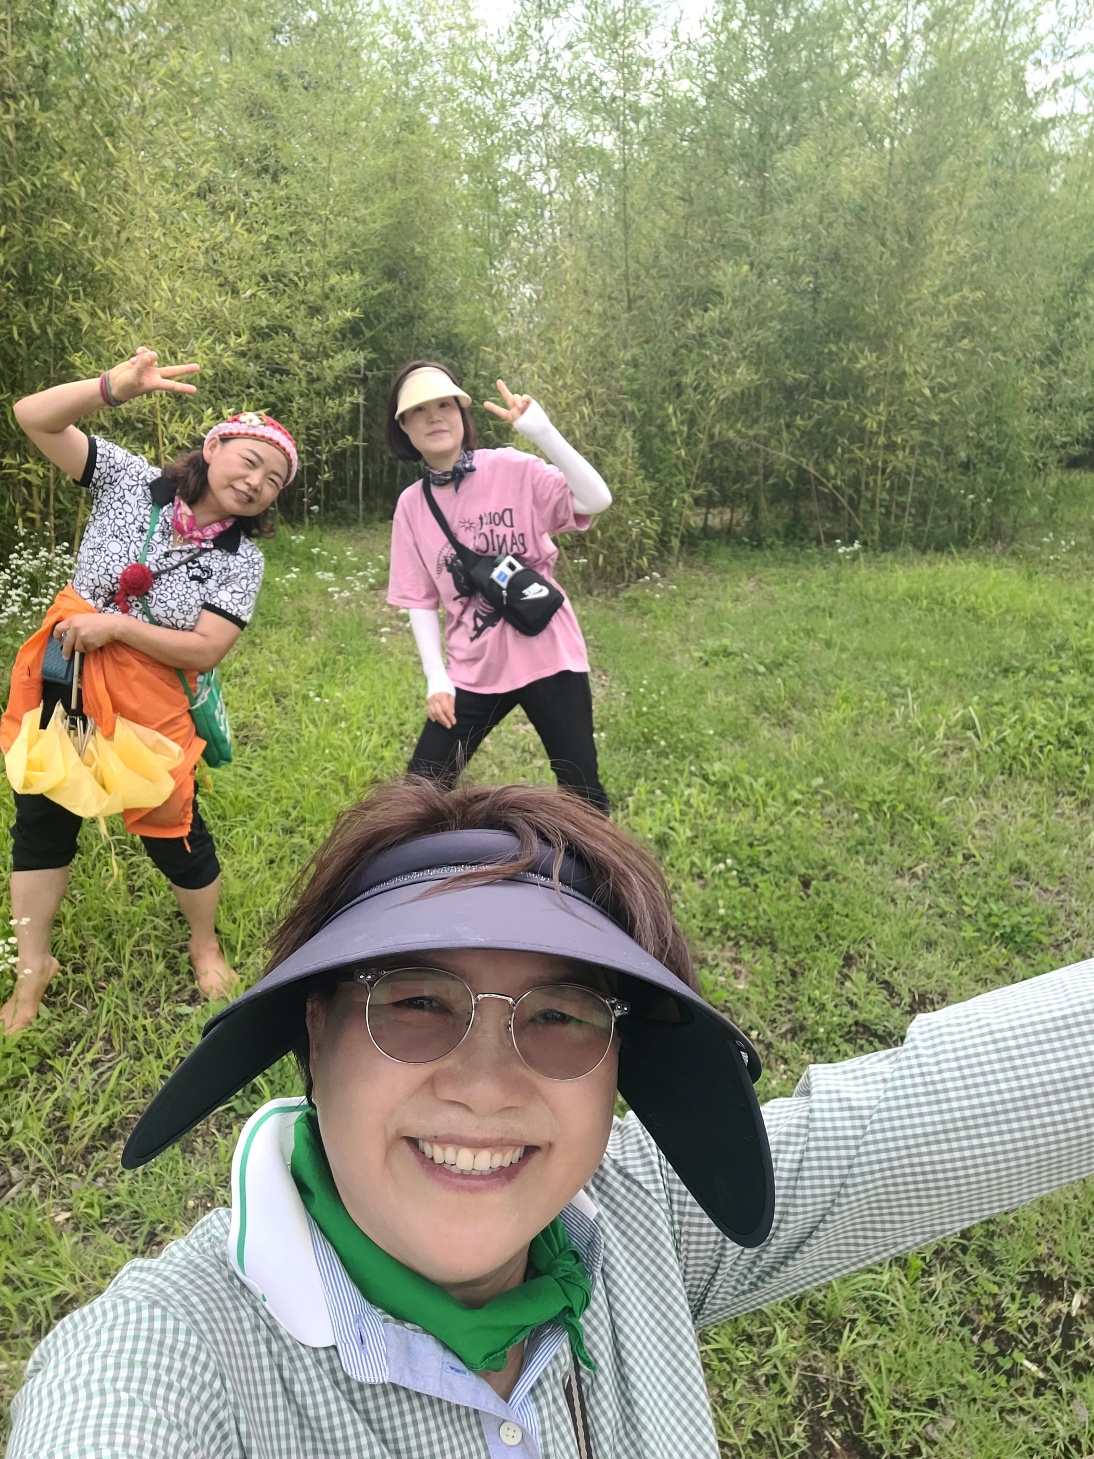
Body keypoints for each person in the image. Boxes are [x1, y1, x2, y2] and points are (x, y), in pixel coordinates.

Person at [8, 778, 1094, 1458]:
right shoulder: (167, 1361)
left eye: (563, 1016)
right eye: (415, 1002)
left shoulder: (632, 1215)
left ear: (619, 1067)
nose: (486, 1085)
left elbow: (938, 1109)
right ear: (316, 1029)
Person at [1, 347, 296, 1033]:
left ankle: (205, 943)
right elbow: (32, 417)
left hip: (149, 698)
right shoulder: (131, 481)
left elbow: (206, 648)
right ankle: (31, 969)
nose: (256, 482)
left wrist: (117, 628)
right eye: (250, 461)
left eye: (274, 480)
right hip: (67, 674)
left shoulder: (241, 559)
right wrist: (111, 387)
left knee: (174, 826)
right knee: (43, 817)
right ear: (213, 448)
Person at [386, 361, 613, 812]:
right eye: (420, 410)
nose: (435, 417)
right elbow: (419, 599)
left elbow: (596, 499)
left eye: (445, 405)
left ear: (462, 414)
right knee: (417, 793)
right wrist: (436, 678)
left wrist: (543, 432)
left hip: (549, 653)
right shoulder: (412, 506)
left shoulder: (510, 468)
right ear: (404, 427)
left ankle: (591, 861)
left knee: (582, 792)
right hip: (473, 666)